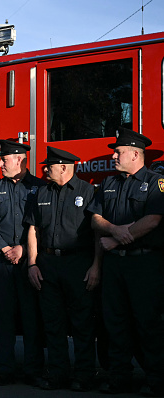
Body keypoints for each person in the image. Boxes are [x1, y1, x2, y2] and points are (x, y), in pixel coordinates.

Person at [87, 127, 164, 396]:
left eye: (119, 152)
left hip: (144, 265)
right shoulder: (109, 183)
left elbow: (154, 220)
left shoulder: (155, 183)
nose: (114, 157)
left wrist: (120, 237)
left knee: (148, 323)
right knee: (114, 322)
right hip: (114, 265)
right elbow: (95, 219)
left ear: (135, 154)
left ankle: (156, 379)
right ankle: (119, 377)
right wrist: (116, 231)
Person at [25, 146, 100, 391]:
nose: (45, 169)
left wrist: (96, 266)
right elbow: (33, 230)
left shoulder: (87, 192)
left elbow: (98, 233)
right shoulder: (41, 192)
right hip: (48, 264)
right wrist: (33, 263)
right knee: (53, 322)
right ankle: (57, 374)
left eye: (50, 166)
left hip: (78, 263)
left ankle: (84, 375)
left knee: (82, 323)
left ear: (65, 167)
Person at [0, 139, 45, 386]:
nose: (0, 163)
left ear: (19, 159)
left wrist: (22, 248)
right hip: (1, 261)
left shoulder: (39, 187)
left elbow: (41, 224)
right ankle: (4, 367)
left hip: (30, 261)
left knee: (31, 316)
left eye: (4, 159)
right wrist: (6, 247)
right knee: (3, 316)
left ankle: (34, 369)